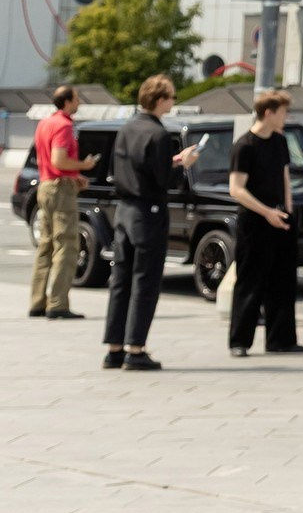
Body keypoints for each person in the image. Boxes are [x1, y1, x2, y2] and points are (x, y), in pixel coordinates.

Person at [102, 77, 196, 370]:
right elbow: (162, 179)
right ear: (160, 100)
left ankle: (114, 348)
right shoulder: (158, 134)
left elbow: (125, 168)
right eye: (171, 96)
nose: (173, 101)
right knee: (145, 280)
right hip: (149, 212)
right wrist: (183, 166)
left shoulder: (127, 128)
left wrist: (172, 162)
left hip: (125, 210)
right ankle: (136, 348)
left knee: (121, 281)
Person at [228, 89, 303, 357]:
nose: (286, 116)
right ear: (269, 113)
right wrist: (266, 213)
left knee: (284, 281)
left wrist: (287, 210)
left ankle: (281, 339)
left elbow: (284, 176)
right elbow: (236, 189)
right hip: (254, 220)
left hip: (280, 217)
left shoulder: (279, 141)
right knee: (250, 281)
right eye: (283, 112)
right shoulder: (245, 145)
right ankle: (240, 341)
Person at [29, 82, 93, 320]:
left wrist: (75, 174)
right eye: (76, 99)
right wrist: (83, 166)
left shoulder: (45, 123)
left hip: (45, 185)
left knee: (45, 245)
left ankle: (37, 301)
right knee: (66, 245)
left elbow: (47, 159)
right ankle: (58, 303)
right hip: (60, 189)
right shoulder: (64, 125)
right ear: (66, 102)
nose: (79, 103)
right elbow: (59, 160)